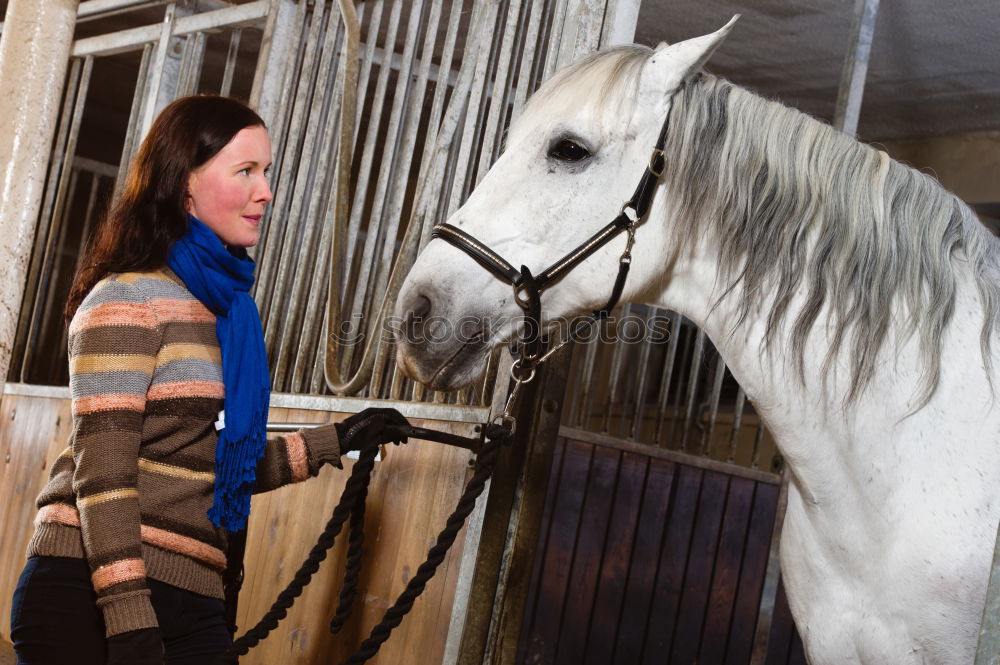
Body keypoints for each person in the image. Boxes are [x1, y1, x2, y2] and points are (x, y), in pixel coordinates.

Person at [9, 95, 408, 665]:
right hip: (91, 589)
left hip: (193, 593)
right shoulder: (129, 302)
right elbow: (104, 474)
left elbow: (211, 469)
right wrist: (127, 618)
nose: (265, 190)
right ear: (183, 185)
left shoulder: (225, 312)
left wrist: (339, 439)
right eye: (245, 171)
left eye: (266, 171)